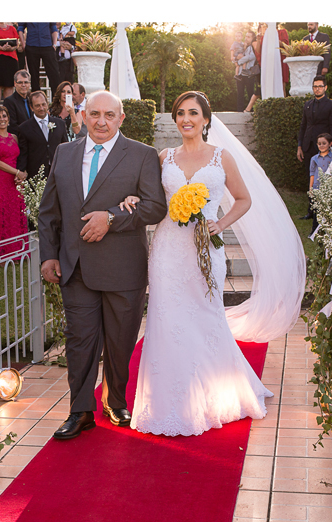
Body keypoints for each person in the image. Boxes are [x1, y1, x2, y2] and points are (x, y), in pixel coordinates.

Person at [122, 90, 305, 435]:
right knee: (166, 319)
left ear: (206, 119)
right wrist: (134, 196)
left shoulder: (222, 158)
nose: (186, 119)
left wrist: (219, 224)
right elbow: (150, 198)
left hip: (206, 250)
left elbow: (244, 199)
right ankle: (169, 401)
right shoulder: (164, 158)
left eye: (193, 113)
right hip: (167, 251)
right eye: (180, 113)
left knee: (207, 316)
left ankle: (214, 396)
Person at [37, 91, 167, 439]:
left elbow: (155, 207)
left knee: (120, 341)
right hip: (75, 267)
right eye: (94, 113)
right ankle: (80, 410)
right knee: (79, 342)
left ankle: (115, 400)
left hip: (123, 268)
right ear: (82, 116)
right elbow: (49, 211)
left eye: (109, 115)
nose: (101, 121)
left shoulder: (142, 155)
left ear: (121, 118)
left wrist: (111, 218)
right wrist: (49, 254)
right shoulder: (64, 153)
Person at [0, 105, 28, 260]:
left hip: (15, 181)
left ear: (8, 119)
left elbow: (20, 159)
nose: (2, 119)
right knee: (0, 214)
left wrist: (20, 175)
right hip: (0, 180)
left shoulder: (14, 137)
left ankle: (17, 251)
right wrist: (17, 172)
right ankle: (0, 253)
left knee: (15, 214)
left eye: (4, 116)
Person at [297, 76, 332, 221]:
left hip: (324, 147)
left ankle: (324, 211)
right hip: (308, 146)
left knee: (325, 179)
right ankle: (311, 210)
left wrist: (330, 146)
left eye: (320, 86)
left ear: (325, 88)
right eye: (315, 86)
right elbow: (303, 126)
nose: (317, 89)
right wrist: (300, 146)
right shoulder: (308, 104)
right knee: (311, 178)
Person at [17, 90, 68, 182]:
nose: (41, 108)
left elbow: (65, 148)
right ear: (31, 108)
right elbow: (23, 153)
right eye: (37, 105)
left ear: (47, 104)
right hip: (36, 173)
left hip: (57, 171)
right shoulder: (24, 128)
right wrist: (21, 171)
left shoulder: (60, 124)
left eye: (43, 104)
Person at [18, 23, 60, 95]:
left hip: (47, 45)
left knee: (54, 73)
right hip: (32, 45)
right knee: (33, 75)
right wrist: (23, 44)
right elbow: (20, 28)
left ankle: (56, 100)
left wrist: (54, 44)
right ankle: (36, 99)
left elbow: (54, 28)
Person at [234, 30, 259, 112]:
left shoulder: (252, 47)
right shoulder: (242, 47)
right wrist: (237, 58)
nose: (246, 38)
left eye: (248, 37)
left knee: (250, 93)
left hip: (249, 74)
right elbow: (236, 57)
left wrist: (240, 61)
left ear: (252, 38)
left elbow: (252, 56)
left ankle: (251, 111)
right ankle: (239, 112)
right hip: (241, 74)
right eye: (246, 36)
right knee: (239, 94)